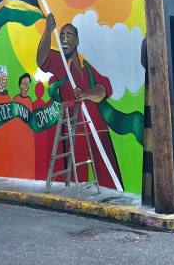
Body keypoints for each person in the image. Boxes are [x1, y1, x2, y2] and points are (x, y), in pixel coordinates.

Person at [36, 13, 122, 189]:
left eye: (69, 35)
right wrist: (48, 31)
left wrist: (86, 94)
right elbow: (41, 60)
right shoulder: (60, 62)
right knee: (78, 180)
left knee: (109, 179)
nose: (64, 39)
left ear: (77, 40)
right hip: (74, 129)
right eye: (62, 35)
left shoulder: (87, 67)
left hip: (97, 128)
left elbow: (104, 89)